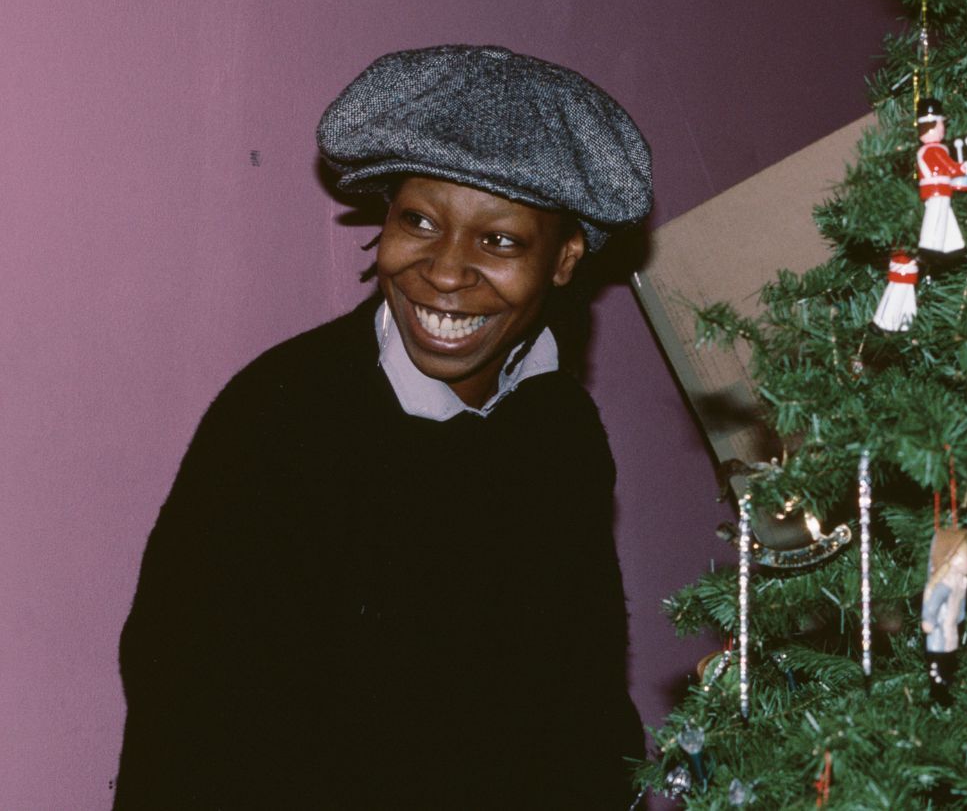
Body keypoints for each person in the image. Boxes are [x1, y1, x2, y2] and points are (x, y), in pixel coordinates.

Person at [114, 45, 651, 809]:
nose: (445, 269)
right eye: (420, 221)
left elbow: (583, 703)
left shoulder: (562, 430)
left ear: (565, 259)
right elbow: (203, 713)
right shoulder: (282, 420)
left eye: (499, 240)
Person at [914, 97, 967, 254]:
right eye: (941, 124)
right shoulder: (935, 149)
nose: (943, 128)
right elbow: (950, 168)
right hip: (937, 189)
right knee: (936, 216)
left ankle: (953, 245)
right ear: (933, 126)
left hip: (938, 189)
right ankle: (929, 247)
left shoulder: (929, 149)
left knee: (945, 215)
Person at [921, 526, 967, 705]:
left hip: (950, 628)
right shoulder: (945, 584)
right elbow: (933, 602)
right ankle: (938, 690)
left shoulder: (961, 581)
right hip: (939, 630)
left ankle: (947, 685)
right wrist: (928, 620)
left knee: (950, 658)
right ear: (951, 560)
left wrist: (960, 620)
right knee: (938, 659)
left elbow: (960, 605)